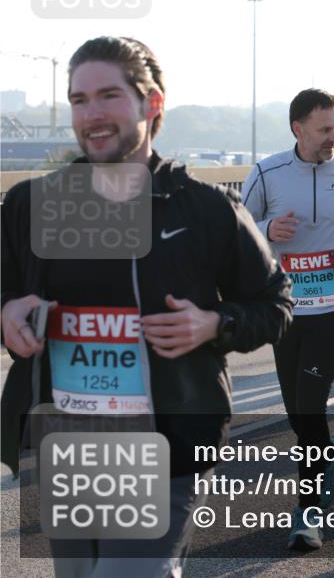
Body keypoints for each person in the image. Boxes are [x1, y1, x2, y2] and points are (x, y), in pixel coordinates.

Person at [0, 36, 293, 577]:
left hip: (166, 444)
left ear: (151, 103)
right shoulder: (31, 205)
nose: (92, 114)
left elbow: (275, 304)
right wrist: (8, 312)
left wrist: (215, 324)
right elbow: (4, 292)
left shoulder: (207, 210)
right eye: (79, 100)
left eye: (109, 95)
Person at [242, 88, 334, 549]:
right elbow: (236, 227)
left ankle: (308, 512)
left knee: (309, 402)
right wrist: (265, 229)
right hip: (285, 308)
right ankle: (325, 455)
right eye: (325, 128)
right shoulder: (266, 173)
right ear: (298, 128)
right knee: (296, 411)